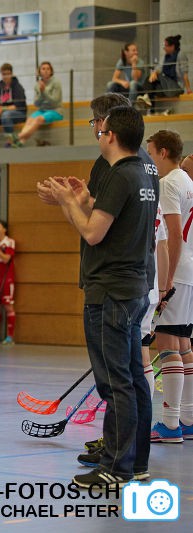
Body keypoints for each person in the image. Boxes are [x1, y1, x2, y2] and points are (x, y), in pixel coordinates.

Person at [43, 105, 156, 489]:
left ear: (110, 135)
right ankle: (136, 464)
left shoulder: (120, 175)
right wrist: (80, 200)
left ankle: (116, 468)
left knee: (115, 384)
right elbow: (107, 220)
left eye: (99, 128)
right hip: (133, 287)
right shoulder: (143, 173)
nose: (97, 132)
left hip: (111, 291)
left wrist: (67, 202)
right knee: (133, 380)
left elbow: (93, 233)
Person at [145, 130, 193, 443]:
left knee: (167, 344)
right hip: (190, 271)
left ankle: (171, 424)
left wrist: (166, 280)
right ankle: (187, 418)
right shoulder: (189, 182)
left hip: (177, 272)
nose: (149, 159)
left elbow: (173, 234)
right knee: (184, 344)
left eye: (150, 153)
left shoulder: (168, 183)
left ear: (163, 152)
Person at [15, 61, 63, 147]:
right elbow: (36, 103)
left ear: (51, 71)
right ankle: (20, 143)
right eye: (43, 69)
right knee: (30, 119)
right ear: (39, 71)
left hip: (55, 110)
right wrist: (41, 93)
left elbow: (55, 102)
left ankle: (19, 136)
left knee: (38, 119)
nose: (46, 71)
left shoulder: (56, 82)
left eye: (48, 69)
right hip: (42, 110)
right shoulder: (38, 85)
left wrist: (44, 91)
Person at [142, 35, 191, 112]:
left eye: (166, 45)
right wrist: (154, 73)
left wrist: (189, 90)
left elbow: (185, 74)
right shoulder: (165, 56)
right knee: (152, 85)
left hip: (176, 87)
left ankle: (146, 96)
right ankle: (151, 110)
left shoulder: (180, 55)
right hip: (166, 85)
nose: (164, 48)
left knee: (156, 76)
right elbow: (159, 67)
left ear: (172, 46)